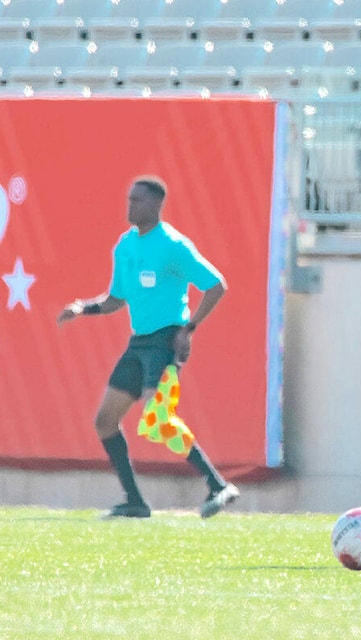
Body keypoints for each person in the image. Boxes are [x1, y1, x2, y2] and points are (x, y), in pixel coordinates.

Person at [57, 176, 239, 519]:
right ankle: (135, 502)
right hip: (139, 343)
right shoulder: (125, 246)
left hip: (166, 342)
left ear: (156, 205)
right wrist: (83, 307)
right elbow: (115, 300)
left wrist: (189, 329)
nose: (130, 206)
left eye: (138, 201)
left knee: (157, 420)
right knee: (105, 421)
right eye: (129, 199)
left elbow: (216, 286)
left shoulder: (173, 245)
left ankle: (219, 486)